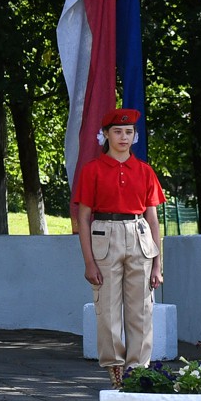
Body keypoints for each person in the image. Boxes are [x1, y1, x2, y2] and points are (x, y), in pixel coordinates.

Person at [73, 107, 165, 384]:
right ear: (105, 135)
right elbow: (84, 216)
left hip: (139, 235)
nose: (123, 137)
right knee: (108, 307)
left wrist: (158, 263)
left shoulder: (145, 171)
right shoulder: (93, 170)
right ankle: (115, 366)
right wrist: (89, 261)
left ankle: (137, 368)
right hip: (106, 234)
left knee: (141, 308)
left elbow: (152, 217)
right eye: (117, 132)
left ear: (134, 136)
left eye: (128, 132)